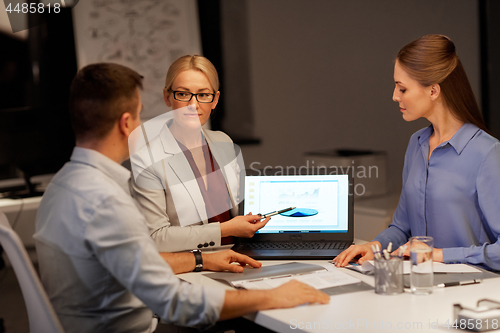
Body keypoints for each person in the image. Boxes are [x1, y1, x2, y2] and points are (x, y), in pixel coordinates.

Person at [34, 63, 329, 333]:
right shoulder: (106, 201)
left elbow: (135, 263)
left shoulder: (62, 184)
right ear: (126, 123)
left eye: (203, 95)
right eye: (139, 115)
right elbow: (174, 301)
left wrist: (201, 259)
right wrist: (272, 297)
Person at [334, 34, 500, 270]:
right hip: (419, 287)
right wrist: (375, 246)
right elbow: (402, 227)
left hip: (470, 292)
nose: (394, 96)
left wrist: (436, 255)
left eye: (402, 88)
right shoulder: (417, 143)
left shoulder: (487, 153)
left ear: (433, 91)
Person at [130, 55, 267, 253]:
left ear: (215, 100)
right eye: (183, 94)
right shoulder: (146, 160)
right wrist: (225, 229)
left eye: (203, 95)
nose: (193, 105)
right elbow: (156, 238)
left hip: (238, 257)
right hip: (192, 266)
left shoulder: (224, 142)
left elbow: (242, 209)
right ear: (167, 97)